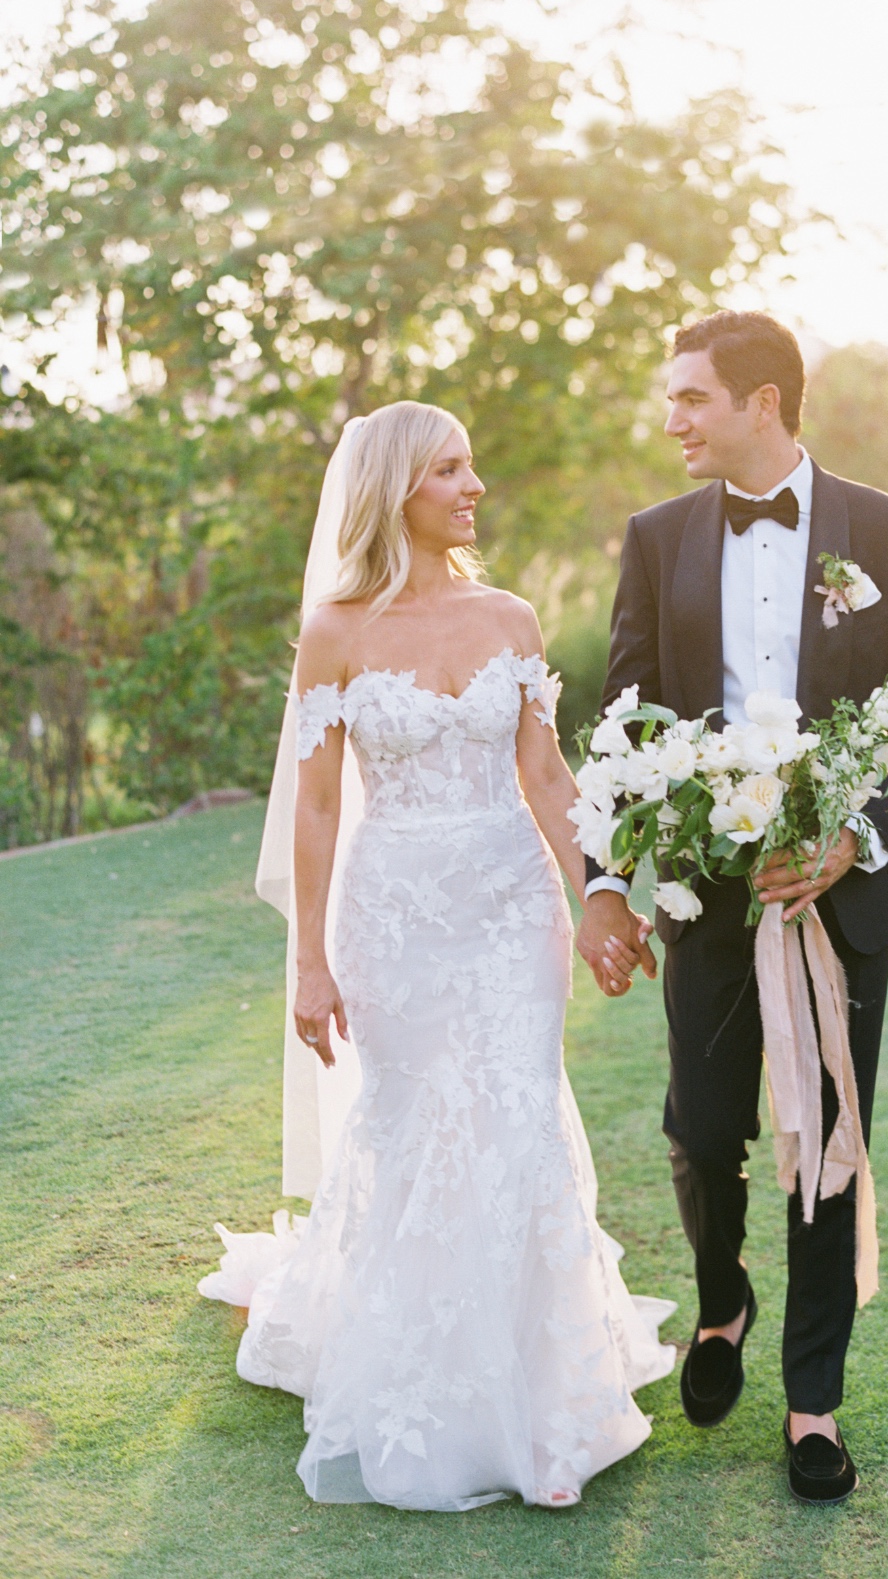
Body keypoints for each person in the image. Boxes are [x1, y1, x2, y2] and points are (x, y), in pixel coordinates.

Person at [199, 400, 673, 1513]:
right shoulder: (338, 632)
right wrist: (309, 963)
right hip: (395, 912)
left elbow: (548, 780)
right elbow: (318, 810)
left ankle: (548, 1403)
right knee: (417, 1125)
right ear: (397, 488)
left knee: (516, 1115)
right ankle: (425, 1377)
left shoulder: (510, 617)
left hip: (512, 905)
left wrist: (601, 895)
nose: (476, 488)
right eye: (452, 470)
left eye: (471, 466)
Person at [576, 311, 888, 1503]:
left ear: (764, 403)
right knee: (704, 1128)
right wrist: (608, 877)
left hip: (840, 904)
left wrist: (857, 836)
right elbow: (622, 711)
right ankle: (722, 1299)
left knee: (823, 1143)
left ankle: (813, 1403)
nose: (672, 419)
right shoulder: (656, 538)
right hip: (710, 894)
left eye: (691, 397)